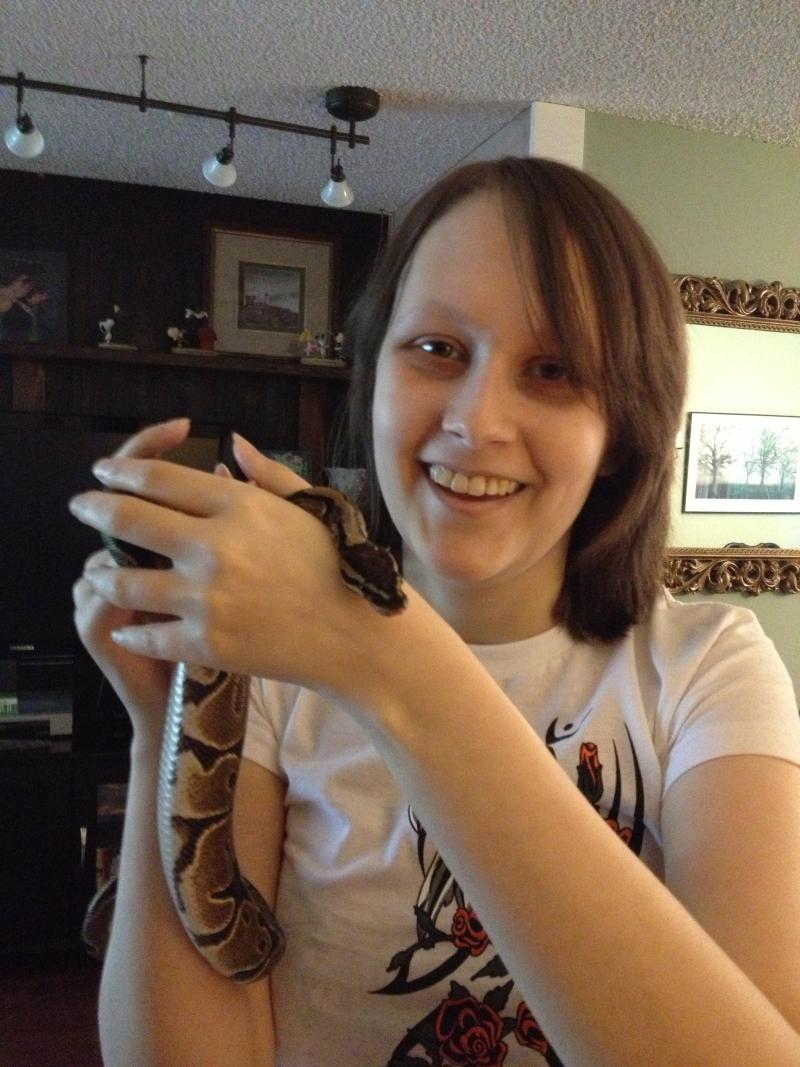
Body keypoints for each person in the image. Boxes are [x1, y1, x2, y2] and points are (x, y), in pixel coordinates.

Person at [70, 157, 800, 1067]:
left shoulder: (707, 670)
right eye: (437, 350)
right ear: (372, 376)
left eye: (553, 368)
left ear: (623, 430)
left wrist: (389, 661)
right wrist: (159, 724)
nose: (476, 418)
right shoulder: (266, 672)